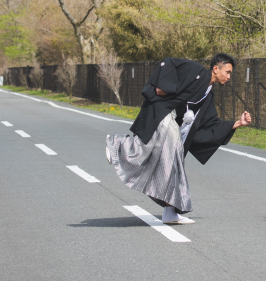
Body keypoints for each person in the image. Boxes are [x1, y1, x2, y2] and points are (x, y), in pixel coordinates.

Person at [106, 53, 251, 223]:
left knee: (174, 165)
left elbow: (209, 126)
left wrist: (237, 123)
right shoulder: (195, 70)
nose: (228, 76)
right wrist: (162, 83)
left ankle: (170, 212)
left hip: (175, 127)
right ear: (215, 68)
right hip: (161, 111)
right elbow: (168, 62)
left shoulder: (208, 96)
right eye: (227, 72)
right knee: (160, 145)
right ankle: (117, 146)